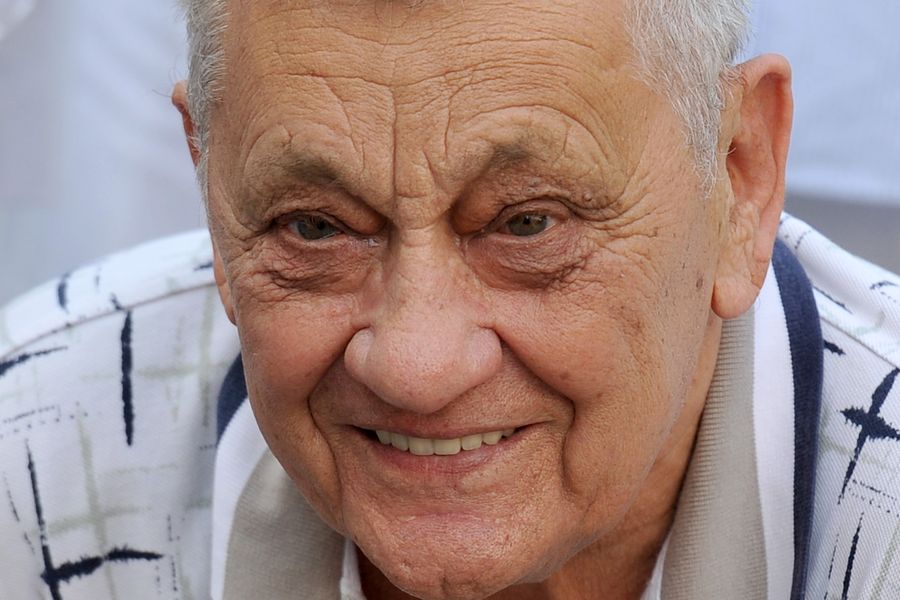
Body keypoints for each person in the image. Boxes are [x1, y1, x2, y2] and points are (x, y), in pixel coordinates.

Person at [1, 1, 898, 599]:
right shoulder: (30, 466)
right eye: (315, 227)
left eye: (528, 223)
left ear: (739, 179)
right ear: (210, 185)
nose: (416, 368)